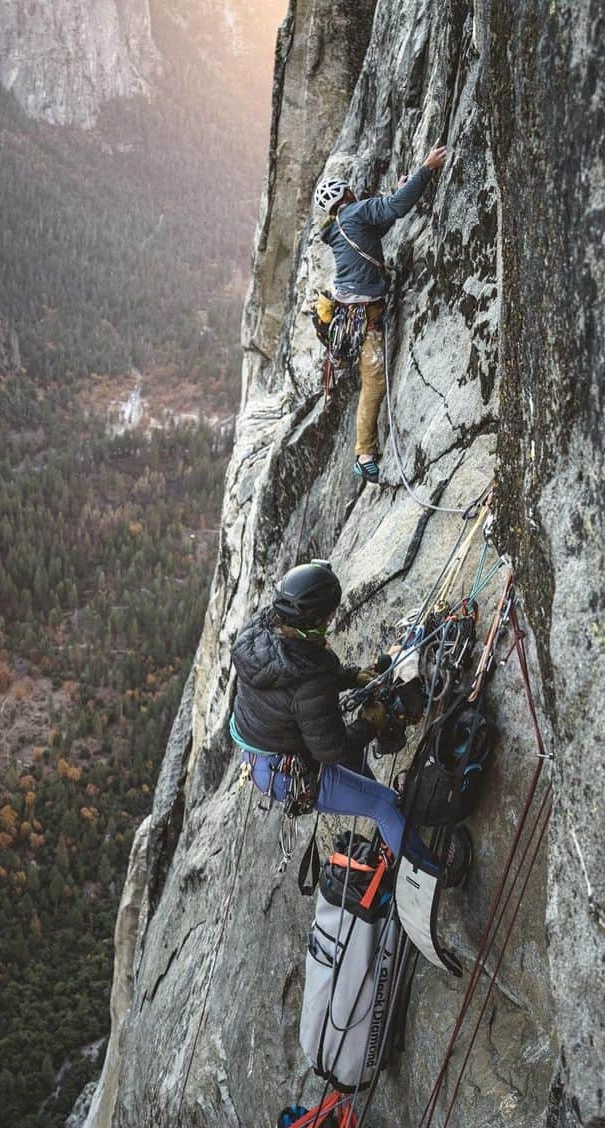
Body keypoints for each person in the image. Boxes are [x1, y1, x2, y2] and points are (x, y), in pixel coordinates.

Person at [229, 560, 432, 865]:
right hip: (287, 773)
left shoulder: (260, 631)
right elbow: (331, 748)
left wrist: (352, 676)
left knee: (358, 765)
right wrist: (369, 723)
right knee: (383, 804)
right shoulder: (309, 680)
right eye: (329, 615)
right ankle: (431, 874)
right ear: (317, 620)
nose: (332, 619)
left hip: (262, 751)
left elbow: (293, 678)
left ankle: (395, 825)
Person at [314, 143, 449, 484]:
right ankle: (364, 454)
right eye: (349, 190)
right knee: (374, 383)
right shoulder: (357, 212)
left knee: (370, 380)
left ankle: (364, 451)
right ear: (346, 194)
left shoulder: (345, 224)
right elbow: (396, 208)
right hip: (363, 316)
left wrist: (403, 187)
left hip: (350, 314)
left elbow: (379, 227)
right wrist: (427, 169)